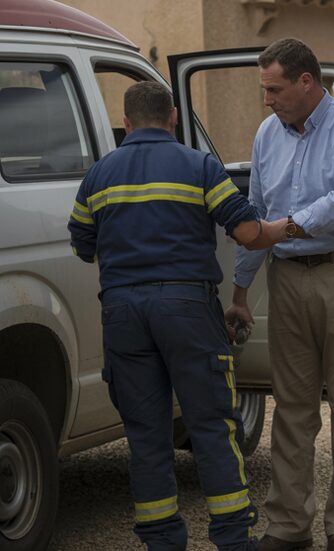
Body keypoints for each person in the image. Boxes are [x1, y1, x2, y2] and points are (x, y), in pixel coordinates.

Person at [68, 81, 274, 551]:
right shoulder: (199, 166)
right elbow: (246, 231)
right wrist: (286, 227)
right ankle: (232, 539)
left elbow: (82, 243)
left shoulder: (98, 175)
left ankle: (162, 540)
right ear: (174, 117)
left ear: (126, 122)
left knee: (145, 435)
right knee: (212, 426)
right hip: (187, 308)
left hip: (122, 312)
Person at [225, 38, 334, 551]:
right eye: (264, 90)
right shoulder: (266, 133)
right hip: (289, 279)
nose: (267, 100)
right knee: (292, 408)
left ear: (306, 81)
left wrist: (285, 228)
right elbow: (256, 209)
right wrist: (240, 290)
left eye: (275, 89)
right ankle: (288, 525)